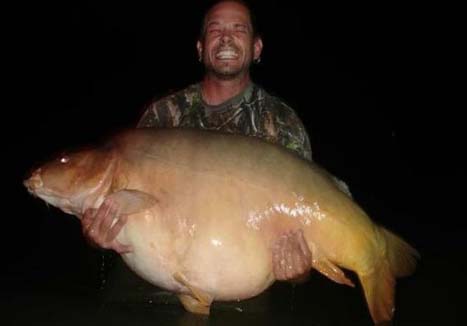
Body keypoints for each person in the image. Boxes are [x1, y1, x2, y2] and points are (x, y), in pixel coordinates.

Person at [82, 0, 316, 299]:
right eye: (215, 30)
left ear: (257, 48)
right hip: (154, 284)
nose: (226, 38)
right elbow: (125, 217)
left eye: (238, 29)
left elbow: (304, 232)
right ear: (200, 48)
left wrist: (300, 270)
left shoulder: (282, 123)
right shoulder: (163, 116)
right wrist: (97, 234)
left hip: (242, 292)